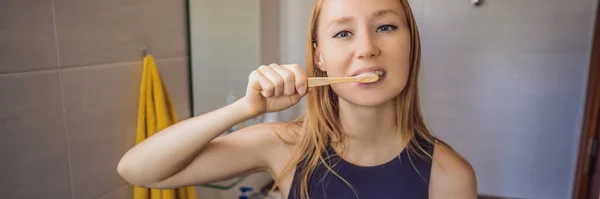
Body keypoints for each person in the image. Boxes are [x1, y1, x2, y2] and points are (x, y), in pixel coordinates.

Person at [117, 0, 478, 198]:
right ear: (319, 57)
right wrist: (244, 109)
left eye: (385, 27)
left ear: (411, 43)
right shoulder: (285, 146)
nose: (367, 48)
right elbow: (137, 170)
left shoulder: (449, 176)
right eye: (343, 33)